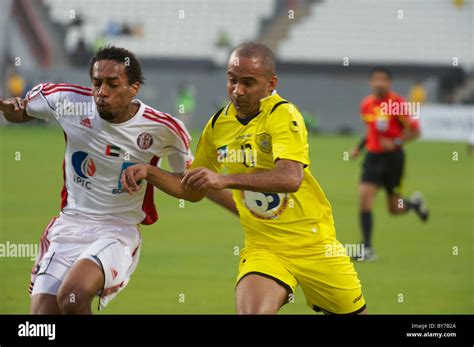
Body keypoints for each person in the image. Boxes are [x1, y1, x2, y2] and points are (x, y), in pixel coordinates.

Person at [122, 42, 367, 314]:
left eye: (248, 82)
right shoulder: (217, 125)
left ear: (270, 83)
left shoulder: (282, 115)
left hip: (314, 245)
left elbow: (290, 177)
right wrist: (150, 171)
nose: (237, 90)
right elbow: (192, 189)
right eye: (232, 80)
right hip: (264, 248)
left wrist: (225, 180)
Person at [0, 46, 236, 314]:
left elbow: (190, 187)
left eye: (113, 84)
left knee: (72, 296)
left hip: (117, 231)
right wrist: (12, 109)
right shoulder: (67, 101)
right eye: (97, 83)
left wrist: (149, 171)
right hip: (70, 225)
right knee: (41, 319)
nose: (102, 92)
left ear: (134, 88)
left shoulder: (163, 129)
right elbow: (21, 113)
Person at [349, 68, 429, 261]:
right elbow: (371, 131)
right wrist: (359, 148)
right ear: (371, 82)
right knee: (365, 200)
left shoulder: (397, 104)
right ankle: (367, 248)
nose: (379, 83)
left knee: (395, 208)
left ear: (389, 83)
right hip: (373, 158)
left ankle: (414, 205)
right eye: (376, 79)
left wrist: (397, 142)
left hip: (394, 159)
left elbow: (416, 132)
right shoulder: (367, 104)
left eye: (383, 79)